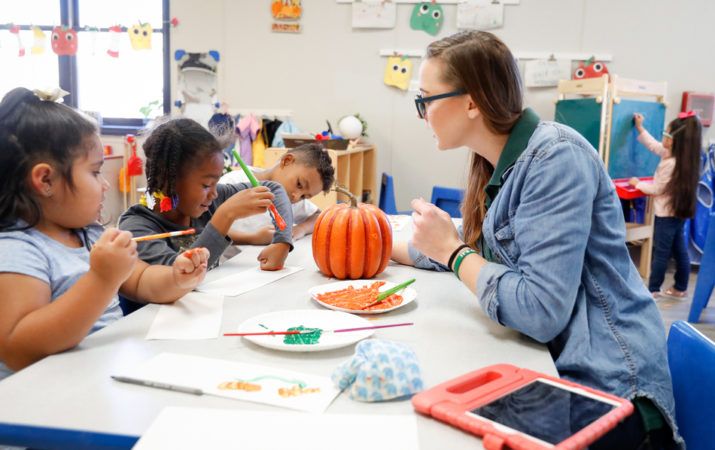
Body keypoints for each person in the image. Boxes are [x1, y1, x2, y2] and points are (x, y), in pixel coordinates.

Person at [391, 31, 681, 448]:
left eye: (426, 99)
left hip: (612, 388)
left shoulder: (555, 158)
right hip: (560, 369)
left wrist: (453, 252)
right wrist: (381, 246)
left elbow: (540, 309)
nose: (423, 114)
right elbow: (471, 253)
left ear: (471, 102)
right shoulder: (497, 162)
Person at [0, 88, 209, 380]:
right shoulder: (17, 249)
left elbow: (140, 279)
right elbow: (18, 349)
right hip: (41, 399)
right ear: (46, 180)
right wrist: (102, 279)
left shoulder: (89, 235)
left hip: (99, 377)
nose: (105, 185)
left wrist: (176, 279)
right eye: (96, 172)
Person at [118, 118, 294, 276]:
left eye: (216, 183)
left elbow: (274, 188)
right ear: (168, 180)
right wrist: (225, 216)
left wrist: (282, 242)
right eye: (206, 185)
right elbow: (180, 276)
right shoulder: (136, 229)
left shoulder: (208, 200)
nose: (215, 193)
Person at [629, 112, 701, 299]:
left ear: (676, 141)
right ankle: (680, 288)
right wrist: (640, 128)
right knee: (679, 250)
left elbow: (657, 189)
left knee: (661, 253)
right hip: (677, 213)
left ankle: (652, 290)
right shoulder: (680, 157)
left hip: (666, 215)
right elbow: (654, 145)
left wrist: (638, 185)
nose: (663, 137)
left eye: (667, 135)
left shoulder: (671, 164)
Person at [219, 143, 335, 244]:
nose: (297, 197)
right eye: (299, 184)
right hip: (229, 266)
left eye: (304, 196)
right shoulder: (233, 182)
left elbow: (319, 217)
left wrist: (301, 229)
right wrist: (252, 238)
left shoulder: (290, 199)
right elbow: (208, 228)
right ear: (286, 161)